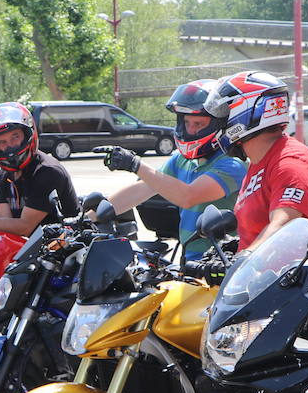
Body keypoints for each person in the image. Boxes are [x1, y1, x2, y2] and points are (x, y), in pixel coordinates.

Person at [203, 71, 308, 285]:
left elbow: (285, 224)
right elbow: (262, 227)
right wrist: (236, 247)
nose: (217, 123)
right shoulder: (259, 160)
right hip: (269, 285)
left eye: (224, 114)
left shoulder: (290, 162)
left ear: (247, 112)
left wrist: (244, 259)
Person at [101, 80, 247, 260]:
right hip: (190, 259)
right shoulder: (182, 159)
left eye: (199, 124)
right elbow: (142, 188)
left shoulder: (233, 164)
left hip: (221, 263)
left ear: (219, 125)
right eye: (187, 122)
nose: (191, 130)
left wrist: (135, 164)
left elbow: (188, 196)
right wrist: (91, 218)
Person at [0, 102, 76, 237]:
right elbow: (2, 219)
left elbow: (25, 227)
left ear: (27, 134)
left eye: (15, 137)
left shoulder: (47, 171)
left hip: (63, 248)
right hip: (29, 250)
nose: (10, 146)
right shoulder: (6, 175)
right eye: (2, 142)